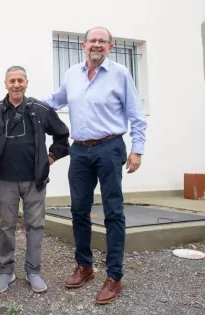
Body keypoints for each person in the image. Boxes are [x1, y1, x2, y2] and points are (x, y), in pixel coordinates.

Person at [43, 26, 147, 304]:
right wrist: (26, 102)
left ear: (110, 47)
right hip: (80, 151)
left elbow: (136, 114)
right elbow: (56, 100)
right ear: (83, 45)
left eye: (103, 41)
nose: (97, 45)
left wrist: (137, 149)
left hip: (110, 147)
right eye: (93, 41)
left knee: (113, 212)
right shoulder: (72, 75)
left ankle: (114, 276)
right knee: (78, 210)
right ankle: (85, 266)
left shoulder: (120, 74)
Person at [0, 66, 70, 294]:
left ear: (27, 83)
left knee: (35, 226)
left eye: (20, 80)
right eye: (12, 81)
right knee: (6, 226)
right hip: (4, 180)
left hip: (34, 180)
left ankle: (33, 271)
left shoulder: (39, 109)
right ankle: (6, 270)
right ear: (5, 84)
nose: (16, 84)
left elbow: (62, 135)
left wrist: (51, 157)